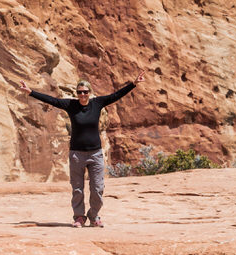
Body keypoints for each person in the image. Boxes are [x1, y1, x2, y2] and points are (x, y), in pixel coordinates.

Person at [20, 72, 144, 227]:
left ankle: (93, 216)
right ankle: (79, 217)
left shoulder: (97, 103)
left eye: (85, 92)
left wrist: (133, 83)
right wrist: (31, 92)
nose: (82, 95)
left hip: (95, 153)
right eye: (80, 92)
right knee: (77, 188)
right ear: (76, 93)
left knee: (98, 188)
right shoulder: (71, 105)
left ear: (89, 93)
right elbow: (52, 100)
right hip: (77, 154)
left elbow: (115, 96)